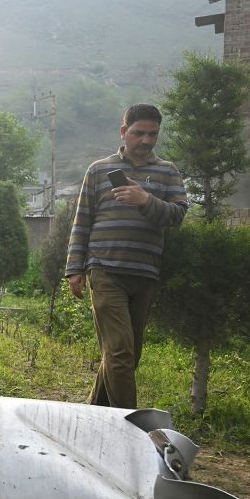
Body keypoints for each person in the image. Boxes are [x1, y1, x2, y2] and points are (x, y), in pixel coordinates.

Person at [65, 103, 188, 408]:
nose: (146, 140)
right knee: (120, 351)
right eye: (139, 133)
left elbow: (177, 215)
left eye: (152, 134)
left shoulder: (168, 172)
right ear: (124, 132)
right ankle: (129, 427)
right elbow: (83, 219)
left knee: (126, 356)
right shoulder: (99, 170)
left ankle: (95, 414)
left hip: (145, 272)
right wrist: (74, 268)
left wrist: (146, 200)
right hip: (105, 269)